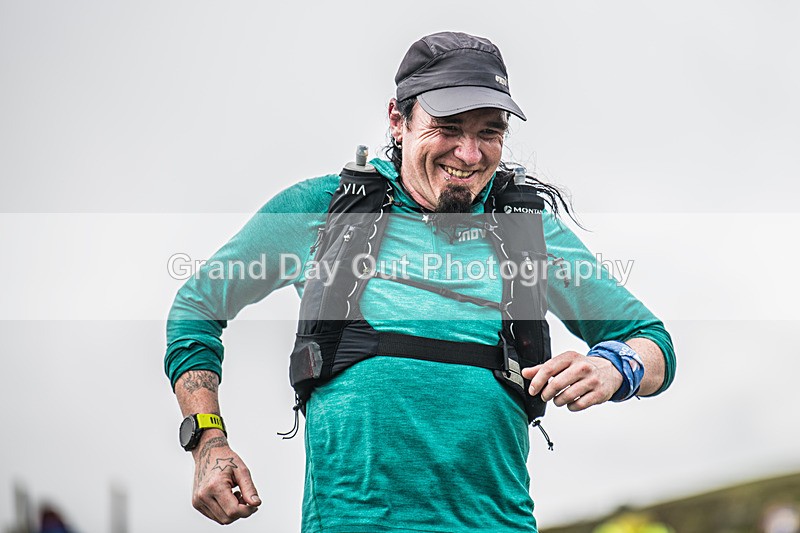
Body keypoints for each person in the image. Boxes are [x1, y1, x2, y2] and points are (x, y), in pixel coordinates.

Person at [165, 31, 676, 532]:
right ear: (398, 120)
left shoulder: (528, 231)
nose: (469, 154)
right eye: (448, 128)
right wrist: (208, 440)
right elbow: (199, 305)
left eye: (489, 133)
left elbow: (652, 343)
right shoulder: (323, 210)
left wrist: (615, 367)